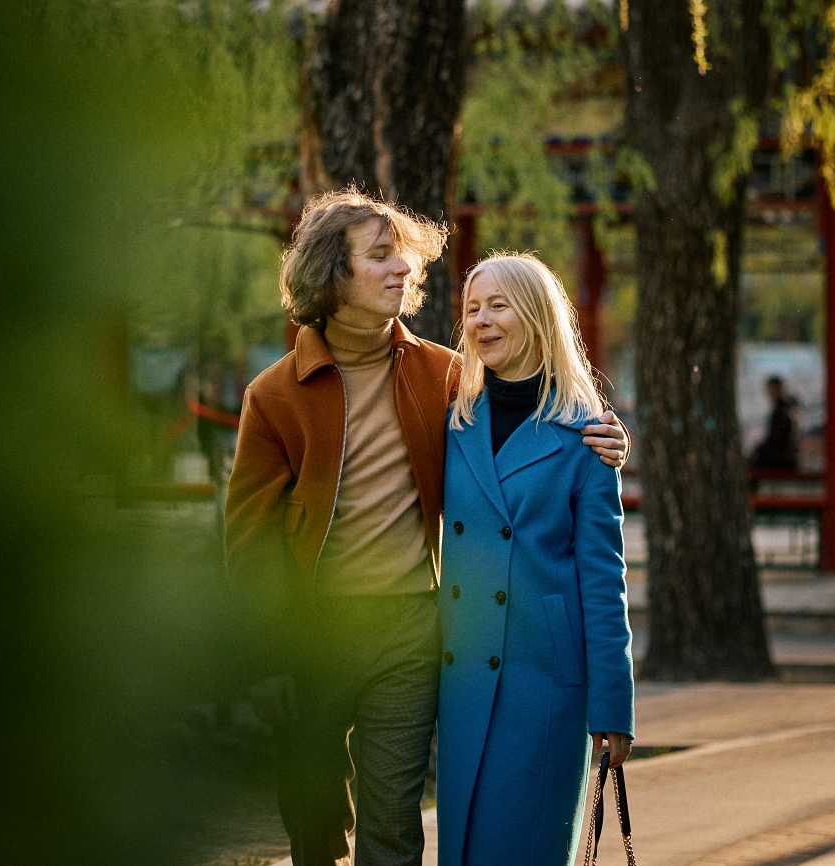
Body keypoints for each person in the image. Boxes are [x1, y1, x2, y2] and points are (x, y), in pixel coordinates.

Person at [223, 190, 629, 866]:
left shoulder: (443, 375)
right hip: (313, 632)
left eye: (403, 257)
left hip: (410, 631)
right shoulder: (275, 396)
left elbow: (529, 418)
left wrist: (607, 437)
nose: (402, 271)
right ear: (332, 273)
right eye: (380, 258)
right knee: (313, 820)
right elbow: (249, 543)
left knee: (394, 824)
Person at [436, 252, 635, 866]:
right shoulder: (451, 422)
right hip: (463, 672)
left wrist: (613, 703)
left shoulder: (585, 436)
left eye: (498, 305)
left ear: (539, 317)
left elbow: (603, 583)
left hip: (544, 681)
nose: (481, 320)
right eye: (472, 308)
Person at [749, 374, 799, 471]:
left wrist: (759, 449)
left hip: (781, 457)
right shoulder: (784, 407)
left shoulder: (781, 409)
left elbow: (776, 438)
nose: (769, 392)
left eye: (771, 389)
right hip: (784, 455)